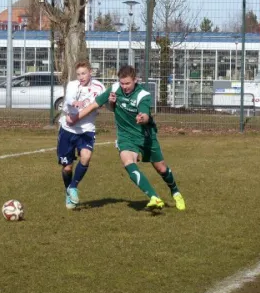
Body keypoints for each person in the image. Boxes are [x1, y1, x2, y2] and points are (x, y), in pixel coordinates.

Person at [67, 65, 186, 211]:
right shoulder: (115, 88)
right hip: (126, 136)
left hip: (145, 136)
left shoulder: (143, 95)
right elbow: (94, 105)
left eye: (128, 83)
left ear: (135, 80)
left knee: (161, 169)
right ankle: (154, 197)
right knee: (127, 161)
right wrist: (75, 118)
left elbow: (146, 115)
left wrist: (143, 118)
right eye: (122, 83)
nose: (124, 87)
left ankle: (175, 192)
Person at [57, 60, 105, 209]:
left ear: (90, 72)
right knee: (67, 168)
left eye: (84, 73)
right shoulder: (72, 85)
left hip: (87, 129)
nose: (81, 77)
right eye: (78, 74)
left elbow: (106, 102)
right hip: (68, 130)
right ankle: (68, 191)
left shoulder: (99, 87)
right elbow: (70, 99)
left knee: (86, 157)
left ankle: (73, 187)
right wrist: (74, 103)